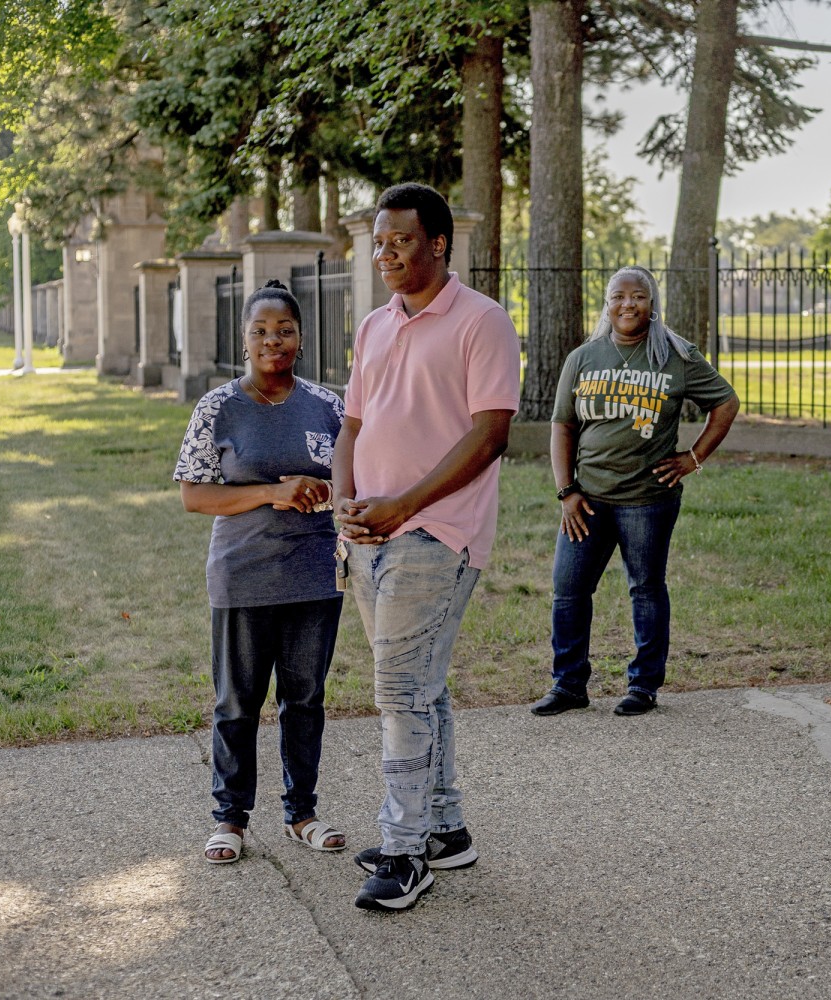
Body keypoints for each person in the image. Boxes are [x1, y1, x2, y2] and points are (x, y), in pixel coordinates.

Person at [333, 183, 520, 912]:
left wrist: (403, 505)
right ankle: (444, 830)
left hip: (436, 534)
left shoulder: (482, 321)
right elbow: (352, 423)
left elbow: (491, 432)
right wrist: (347, 505)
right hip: (368, 535)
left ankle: (405, 853)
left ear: (438, 243)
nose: (385, 253)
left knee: (398, 693)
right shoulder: (375, 325)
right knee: (421, 686)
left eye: (400, 241)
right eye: (379, 242)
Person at [175, 280, 348, 865]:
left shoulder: (329, 405)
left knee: (305, 698)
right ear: (243, 340)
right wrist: (276, 491)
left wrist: (327, 490)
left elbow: (357, 478)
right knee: (237, 702)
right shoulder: (219, 406)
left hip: (316, 574)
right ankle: (230, 818)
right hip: (243, 574)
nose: (273, 340)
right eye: (261, 331)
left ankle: (302, 813)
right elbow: (195, 497)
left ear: (301, 338)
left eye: (285, 330)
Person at [530, 266, 739, 719]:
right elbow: (563, 425)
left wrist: (693, 458)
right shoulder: (583, 358)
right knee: (568, 590)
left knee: (645, 588)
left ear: (652, 303)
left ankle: (643, 686)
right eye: (619, 296)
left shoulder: (676, 356)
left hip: (648, 500)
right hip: (587, 498)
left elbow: (725, 402)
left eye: (639, 296)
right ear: (607, 303)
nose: (629, 304)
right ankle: (568, 685)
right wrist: (566, 490)